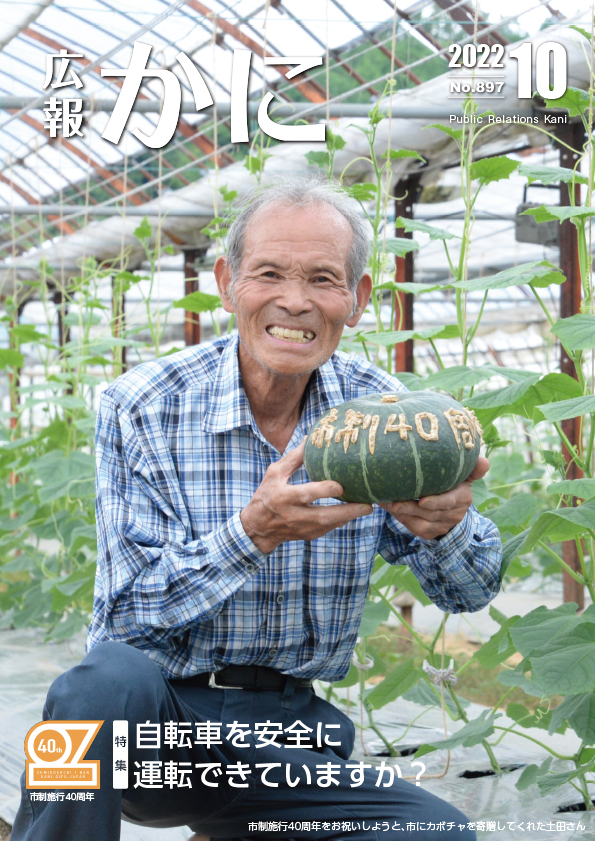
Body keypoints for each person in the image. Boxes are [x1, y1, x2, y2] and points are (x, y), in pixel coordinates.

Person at [11, 177, 502, 841]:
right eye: (268, 273)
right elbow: (122, 615)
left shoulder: (378, 416)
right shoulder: (145, 405)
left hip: (292, 739)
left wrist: (445, 528)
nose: (295, 301)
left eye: (323, 279)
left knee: (438, 835)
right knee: (98, 686)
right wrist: (250, 534)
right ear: (228, 282)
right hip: (162, 732)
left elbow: (469, 590)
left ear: (355, 300)